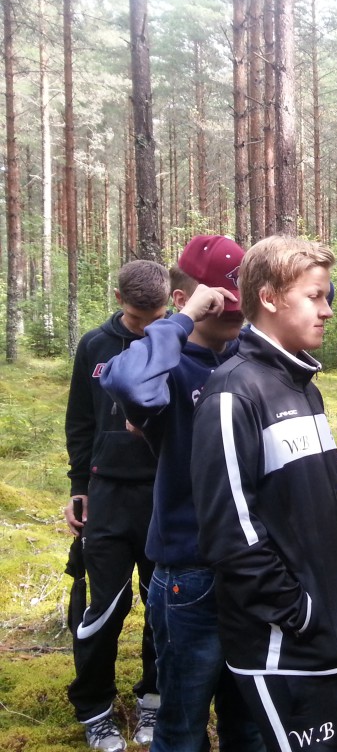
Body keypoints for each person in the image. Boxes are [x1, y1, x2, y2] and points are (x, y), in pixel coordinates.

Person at [191, 236, 337, 752]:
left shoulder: (302, 385)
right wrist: (300, 613)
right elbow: (231, 533)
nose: (327, 311)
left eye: (327, 297)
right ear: (271, 296)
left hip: (322, 639)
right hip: (283, 647)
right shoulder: (233, 393)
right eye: (315, 296)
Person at [101, 235, 263, 752]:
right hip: (189, 571)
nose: (234, 315)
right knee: (182, 726)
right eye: (222, 303)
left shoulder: (249, 359)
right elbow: (127, 384)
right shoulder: (167, 368)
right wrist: (182, 319)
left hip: (253, 569)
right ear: (189, 297)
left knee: (250, 724)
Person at [64, 260, 168, 751]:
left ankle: (153, 699)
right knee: (102, 605)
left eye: (158, 313)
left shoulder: (176, 341)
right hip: (105, 495)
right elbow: (80, 420)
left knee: (161, 605)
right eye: (138, 315)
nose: (148, 325)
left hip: (162, 495)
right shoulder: (95, 345)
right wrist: (77, 485)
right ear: (119, 299)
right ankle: (95, 710)